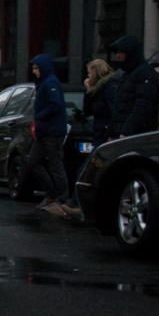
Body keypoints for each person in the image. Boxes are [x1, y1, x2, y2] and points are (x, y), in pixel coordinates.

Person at [54, 58, 118, 220]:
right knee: (87, 170)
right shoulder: (98, 89)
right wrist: (88, 91)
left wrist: (111, 133)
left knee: (85, 170)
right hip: (97, 135)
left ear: (97, 72)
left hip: (104, 136)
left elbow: (114, 113)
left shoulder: (109, 88)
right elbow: (88, 111)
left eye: (90, 72)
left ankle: (77, 205)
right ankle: (75, 204)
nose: (88, 75)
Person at [27, 54, 69, 211]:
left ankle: (62, 198)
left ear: (43, 68)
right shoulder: (44, 83)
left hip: (52, 131)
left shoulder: (50, 82)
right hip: (44, 131)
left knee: (56, 165)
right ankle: (51, 194)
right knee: (33, 161)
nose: (34, 72)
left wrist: (40, 116)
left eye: (36, 68)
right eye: (33, 69)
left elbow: (56, 105)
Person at [107, 34, 159, 140]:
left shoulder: (144, 73)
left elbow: (143, 107)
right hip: (125, 134)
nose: (117, 55)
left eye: (120, 52)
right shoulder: (128, 74)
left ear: (129, 52)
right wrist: (112, 132)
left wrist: (126, 132)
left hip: (135, 136)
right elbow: (119, 108)